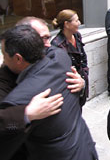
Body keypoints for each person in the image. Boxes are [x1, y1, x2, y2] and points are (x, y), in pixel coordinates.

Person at [0, 25, 98, 160]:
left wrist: (26, 114)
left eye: (4, 55)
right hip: (84, 150)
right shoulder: (61, 57)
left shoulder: (20, 101)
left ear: (18, 58)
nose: (3, 61)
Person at [51, 9, 89, 106]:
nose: (79, 23)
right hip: (70, 85)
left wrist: (84, 72)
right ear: (67, 24)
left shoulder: (77, 35)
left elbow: (83, 56)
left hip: (81, 79)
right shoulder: (57, 44)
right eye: (76, 21)